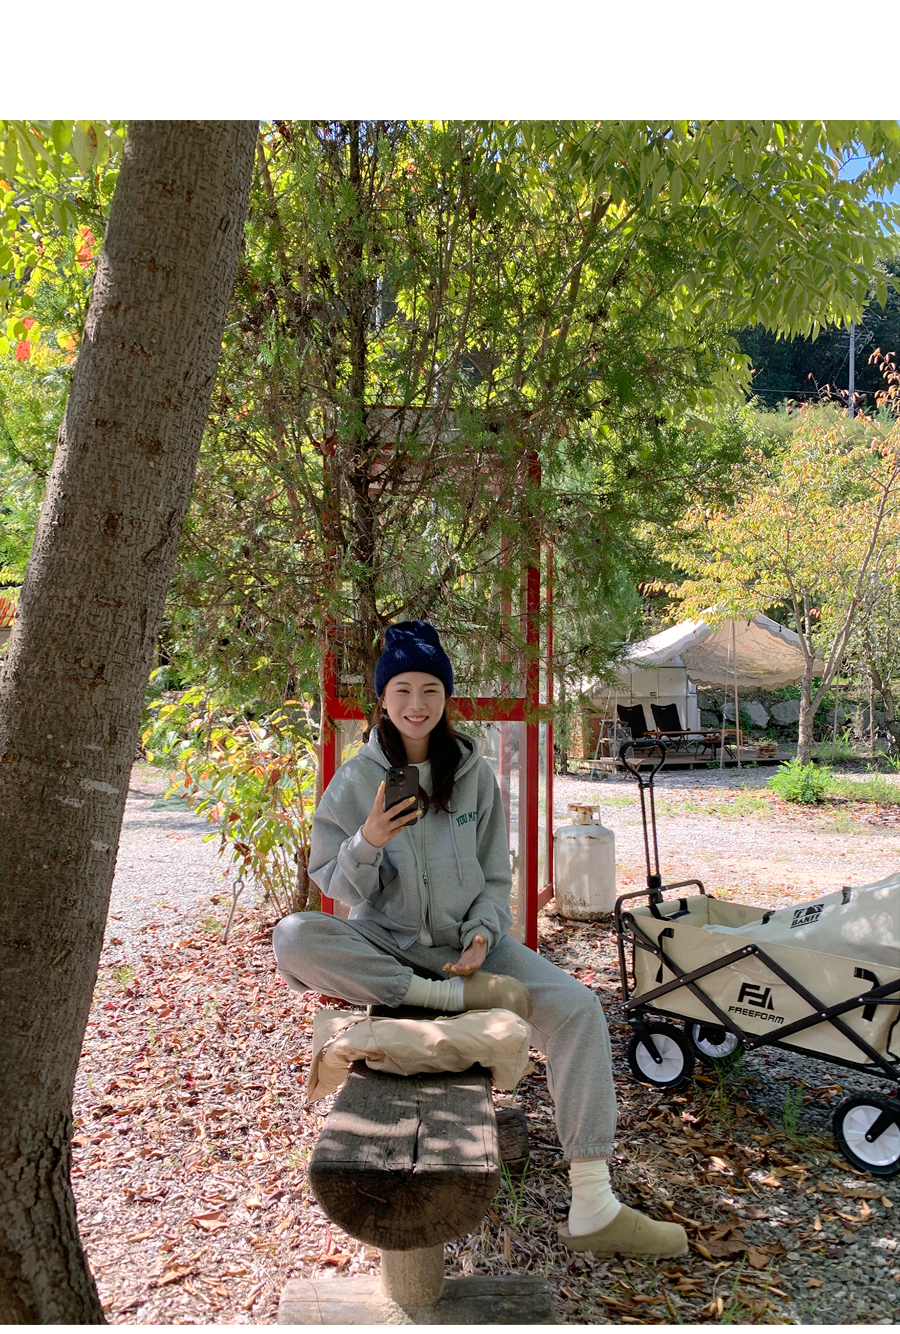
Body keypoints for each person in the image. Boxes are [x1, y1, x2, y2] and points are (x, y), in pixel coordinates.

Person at [273, 621, 687, 1259]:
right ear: (382, 699)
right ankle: (443, 999)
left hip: (470, 955)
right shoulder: (356, 782)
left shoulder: (473, 774)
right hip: (387, 947)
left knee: (579, 1008)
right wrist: (368, 840)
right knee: (292, 935)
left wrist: (480, 933)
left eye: (430, 689)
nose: (417, 704)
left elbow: (495, 878)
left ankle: (594, 1203)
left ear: (447, 696)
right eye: (402, 689)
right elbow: (333, 882)